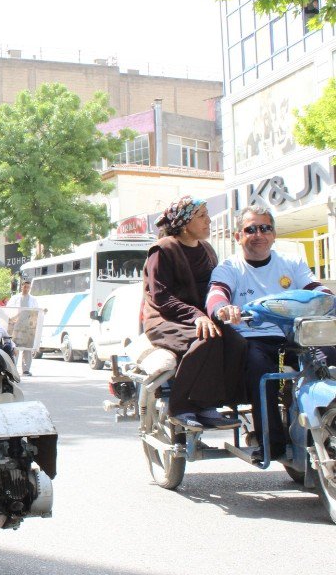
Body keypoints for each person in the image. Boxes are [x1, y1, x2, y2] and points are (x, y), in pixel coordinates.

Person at [208, 205, 334, 460]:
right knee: (258, 370)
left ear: (274, 234)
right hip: (254, 339)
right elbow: (216, 293)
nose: (259, 234)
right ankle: (271, 443)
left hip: (296, 336)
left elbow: (315, 288)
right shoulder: (229, 267)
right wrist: (223, 309)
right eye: (250, 229)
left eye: (265, 228)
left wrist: (329, 299)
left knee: (330, 356)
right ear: (238, 236)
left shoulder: (292, 263)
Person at [143, 196, 245, 430]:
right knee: (208, 340)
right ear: (184, 223)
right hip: (165, 319)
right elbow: (161, 296)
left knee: (237, 343)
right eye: (201, 216)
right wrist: (196, 316)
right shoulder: (163, 249)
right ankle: (181, 407)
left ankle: (211, 404)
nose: (208, 220)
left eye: (207, 214)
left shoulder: (207, 250)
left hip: (201, 318)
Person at [11, 281, 43, 376]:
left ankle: (26, 369)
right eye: (25, 287)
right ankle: (13, 368)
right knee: (14, 347)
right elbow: (9, 309)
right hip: (17, 325)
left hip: (28, 326)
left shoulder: (33, 299)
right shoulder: (15, 298)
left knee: (27, 347)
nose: (26, 289)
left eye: (28, 287)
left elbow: (36, 312)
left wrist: (42, 312)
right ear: (21, 287)